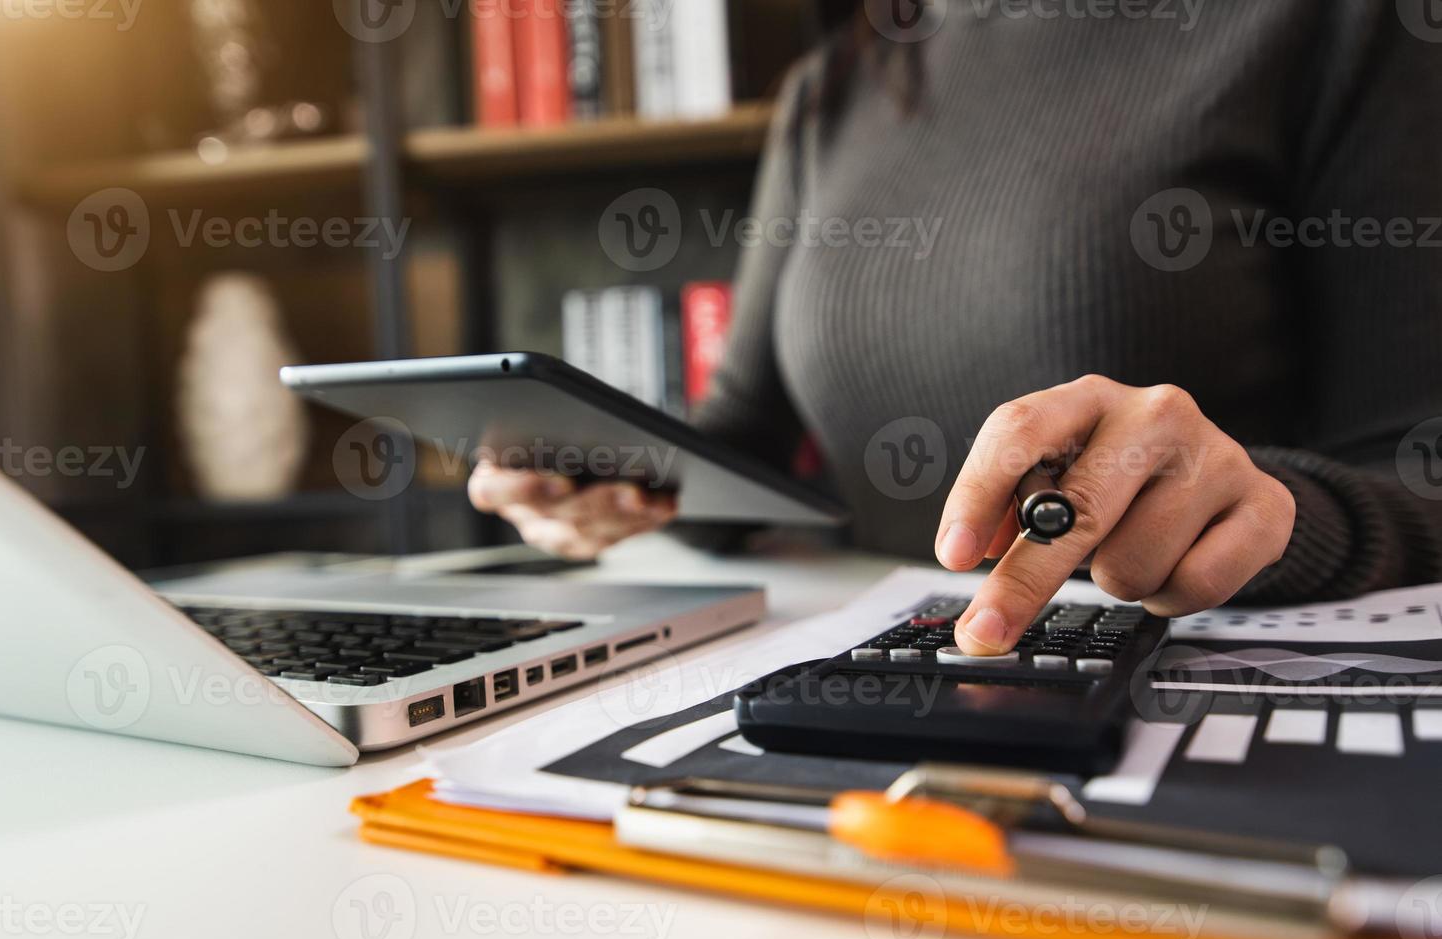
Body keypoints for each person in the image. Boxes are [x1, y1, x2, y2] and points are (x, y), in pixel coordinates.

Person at [470, 0, 1442, 657]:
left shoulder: (1339, 24)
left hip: (1191, 672)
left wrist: (1276, 520)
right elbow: (741, 442)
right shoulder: (841, 81)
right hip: (862, 660)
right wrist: (602, 468)